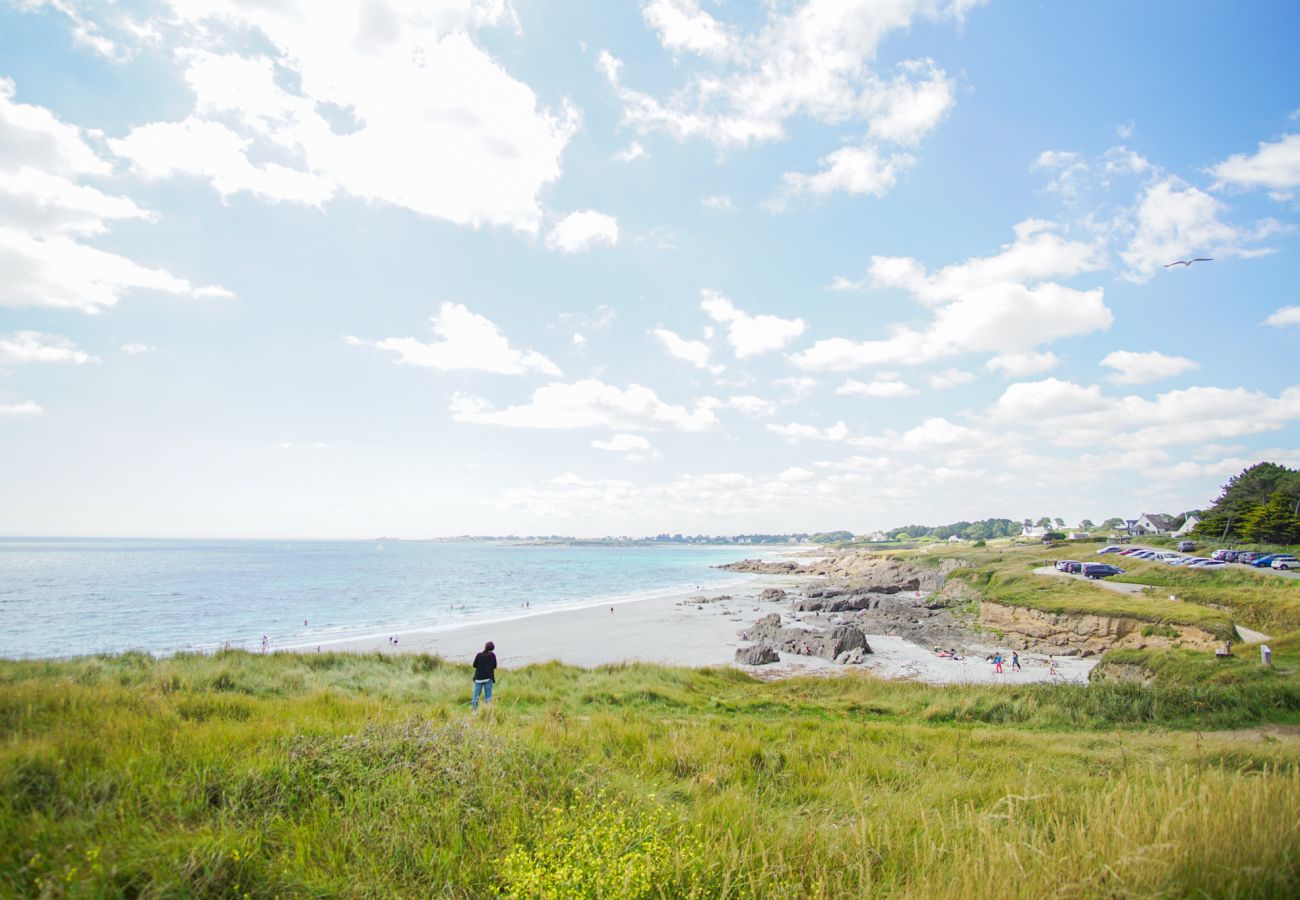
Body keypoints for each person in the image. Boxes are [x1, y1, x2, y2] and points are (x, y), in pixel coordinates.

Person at [472, 641, 497, 710]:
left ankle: (474, 712)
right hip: (488, 679)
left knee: (476, 696)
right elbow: (494, 666)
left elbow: (474, 665)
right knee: (488, 697)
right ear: (492, 648)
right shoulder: (492, 655)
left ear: (485, 647)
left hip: (478, 679)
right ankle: (488, 711)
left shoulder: (479, 655)